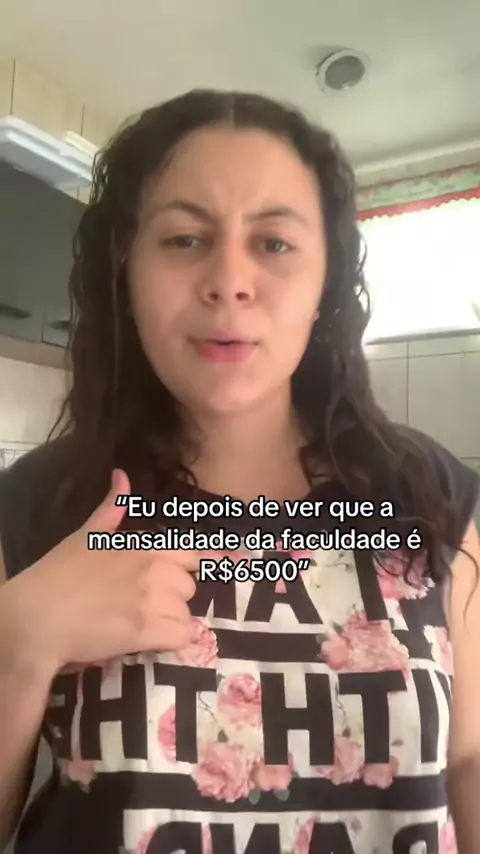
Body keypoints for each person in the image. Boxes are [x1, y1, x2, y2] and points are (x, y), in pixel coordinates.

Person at [0, 89, 478, 854]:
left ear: (325, 285)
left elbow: (469, 759)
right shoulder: (40, 504)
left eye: (275, 243)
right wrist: (19, 643)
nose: (229, 280)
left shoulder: (429, 490)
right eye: (184, 238)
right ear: (126, 276)